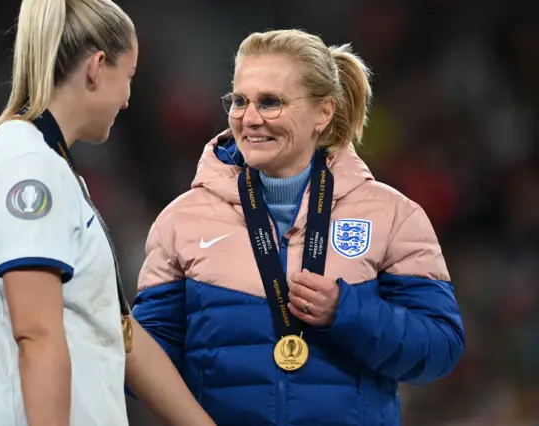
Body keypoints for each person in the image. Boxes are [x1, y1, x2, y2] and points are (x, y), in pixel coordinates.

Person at [132, 29, 466, 425]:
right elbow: (144, 362)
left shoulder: (392, 216)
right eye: (239, 101)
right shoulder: (181, 221)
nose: (250, 118)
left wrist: (348, 312)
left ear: (322, 112)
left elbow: (440, 348)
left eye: (270, 102)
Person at [0, 0, 216, 425]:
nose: (129, 99)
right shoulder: (25, 165)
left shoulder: (53, 166)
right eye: (128, 76)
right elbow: (36, 334)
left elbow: (119, 332)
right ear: (96, 66)